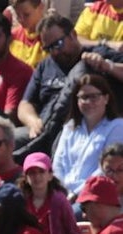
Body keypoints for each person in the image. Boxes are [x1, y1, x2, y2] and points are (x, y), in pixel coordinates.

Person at [16, 14, 88, 162]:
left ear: (73, 35)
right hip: (42, 128)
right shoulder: (45, 65)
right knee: (2, 141)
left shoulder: (91, 60)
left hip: (77, 129)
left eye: (58, 44)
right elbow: (25, 104)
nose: (54, 52)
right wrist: (33, 121)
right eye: (48, 48)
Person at [53, 75, 123, 198]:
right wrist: (60, 191)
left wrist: (77, 193)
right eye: (84, 97)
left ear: (106, 98)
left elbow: (106, 169)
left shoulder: (117, 127)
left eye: (94, 97)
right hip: (62, 192)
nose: (89, 102)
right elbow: (58, 163)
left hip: (94, 194)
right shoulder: (70, 127)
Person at [18, 152, 84, 234]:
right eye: (32, 173)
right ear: (26, 177)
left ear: (50, 175)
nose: (37, 176)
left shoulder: (59, 201)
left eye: (41, 172)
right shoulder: (21, 202)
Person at [10, 0, 46, 68]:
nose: (21, 20)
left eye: (26, 15)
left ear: (40, 7)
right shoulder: (13, 36)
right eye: (18, 15)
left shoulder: (50, 37)